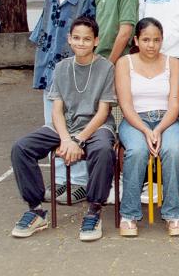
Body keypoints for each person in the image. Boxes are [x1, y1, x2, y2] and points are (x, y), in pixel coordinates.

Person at [10, 17, 116, 241]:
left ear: (96, 41)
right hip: (64, 127)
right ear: (69, 39)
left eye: (86, 39)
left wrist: (79, 140)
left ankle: (94, 211)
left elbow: (103, 112)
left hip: (96, 126)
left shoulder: (106, 67)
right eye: (76, 38)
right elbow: (56, 110)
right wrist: (67, 139)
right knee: (22, 148)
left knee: (103, 150)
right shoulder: (61, 67)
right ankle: (36, 210)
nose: (81, 43)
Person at [30, 0, 95, 204]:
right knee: (53, 126)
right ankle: (59, 178)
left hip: (74, 74)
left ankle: (78, 180)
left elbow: (88, 39)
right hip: (50, 73)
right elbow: (41, 35)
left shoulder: (85, 1)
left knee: (75, 124)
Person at [116, 18, 179, 237]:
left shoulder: (174, 63)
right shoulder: (124, 63)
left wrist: (159, 129)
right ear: (136, 40)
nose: (151, 45)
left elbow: (175, 105)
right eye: (146, 40)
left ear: (162, 40)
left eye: (156, 40)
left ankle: (173, 213)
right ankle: (129, 214)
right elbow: (126, 105)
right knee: (137, 150)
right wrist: (146, 130)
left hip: (167, 120)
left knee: (172, 150)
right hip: (135, 120)